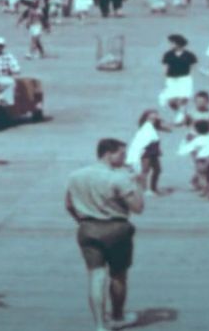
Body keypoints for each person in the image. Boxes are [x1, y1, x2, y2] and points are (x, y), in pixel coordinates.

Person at [65, 138, 144, 331]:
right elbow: (138, 207)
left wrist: (81, 221)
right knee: (118, 275)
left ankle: (100, 325)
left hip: (88, 228)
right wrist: (138, 184)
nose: (125, 158)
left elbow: (68, 204)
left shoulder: (76, 175)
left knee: (96, 275)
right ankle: (117, 316)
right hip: (116, 228)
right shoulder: (119, 178)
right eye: (122, 154)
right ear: (108, 154)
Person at [126, 110, 169, 196]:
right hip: (147, 150)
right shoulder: (146, 127)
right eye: (152, 116)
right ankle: (145, 189)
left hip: (153, 150)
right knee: (145, 170)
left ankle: (153, 188)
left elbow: (168, 129)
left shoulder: (153, 126)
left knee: (157, 170)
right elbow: (144, 141)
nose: (155, 117)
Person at [178, 120, 209, 198]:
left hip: (202, 160)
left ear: (196, 130)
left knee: (202, 176)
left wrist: (182, 146)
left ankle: (206, 192)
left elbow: (187, 149)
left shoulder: (198, 139)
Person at [159, 34, 197, 125]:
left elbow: (193, 67)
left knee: (182, 99)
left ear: (179, 44)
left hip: (184, 79)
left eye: (172, 43)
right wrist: (165, 78)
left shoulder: (189, 55)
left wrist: (190, 78)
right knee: (171, 101)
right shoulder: (168, 54)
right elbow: (165, 67)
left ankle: (181, 116)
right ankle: (182, 113)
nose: (171, 45)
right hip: (172, 79)